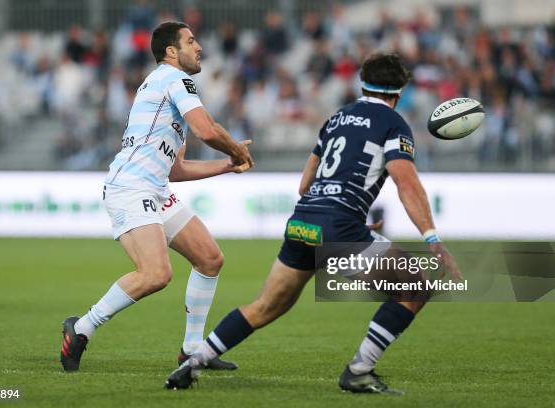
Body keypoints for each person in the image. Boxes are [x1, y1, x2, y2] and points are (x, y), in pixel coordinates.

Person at [165, 53, 461, 394]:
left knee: (265, 306)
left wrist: (348, 214)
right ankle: (359, 370)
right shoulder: (393, 124)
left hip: (303, 221)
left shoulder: (338, 118)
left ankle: (194, 362)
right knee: (414, 286)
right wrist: (432, 239)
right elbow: (407, 183)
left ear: (362, 83)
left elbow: (306, 185)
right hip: (339, 228)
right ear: (398, 91)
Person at [60, 21, 254, 372]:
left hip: (155, 188)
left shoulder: (167, 91)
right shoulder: (175, 79)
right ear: (171, 51)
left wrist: (227, 166)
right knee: (155, 274)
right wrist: (236, 151)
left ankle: (192, 349)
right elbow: (206, 130)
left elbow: (176, 170)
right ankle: (82, 328)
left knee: (209, 259)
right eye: (191, 41)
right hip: (131, 187)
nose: (199, 48)